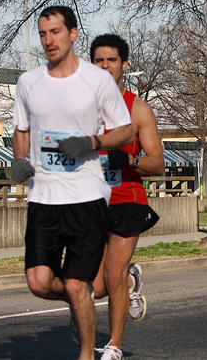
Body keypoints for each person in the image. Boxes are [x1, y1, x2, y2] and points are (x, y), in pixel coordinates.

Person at [11, 6, 134, 360]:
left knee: (79, 284)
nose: (49, 41)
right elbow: (22, 130)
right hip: (44, 199)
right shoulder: (28, 82)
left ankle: (85, 354)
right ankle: (80, 300)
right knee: (39, 282)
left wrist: (91, 143)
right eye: (43, 34)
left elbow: (125, 130)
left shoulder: (96, 81)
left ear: (73, 34)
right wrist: (20, 161)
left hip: (86, 197)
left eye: (56, 32)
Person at [89, 34, 164, 360]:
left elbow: (158, 163)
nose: (105, 66)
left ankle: (114, 346)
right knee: (94, 287)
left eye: (111, 60)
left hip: (127, 199)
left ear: (124, 65)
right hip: (90, 201)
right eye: (98, 60)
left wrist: (129, 160)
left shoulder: (138, 109)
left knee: (113, 274)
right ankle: (132, 281)